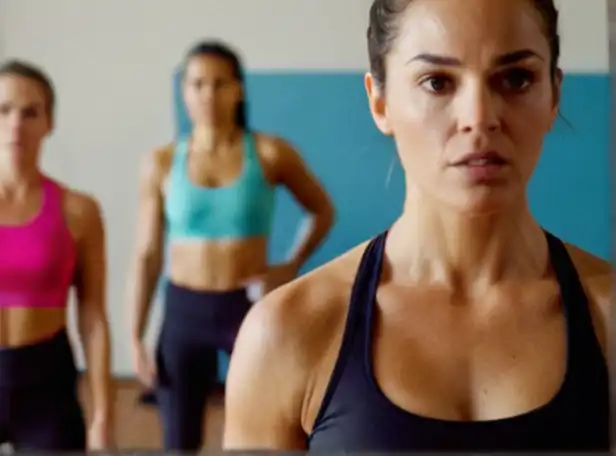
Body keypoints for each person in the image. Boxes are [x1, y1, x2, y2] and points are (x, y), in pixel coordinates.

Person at [223, 0, 611, 452]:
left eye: (516, 79)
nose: (479, 117)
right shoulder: (288, 333)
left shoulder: (606, 316)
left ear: (554, 96)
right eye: (437, 82)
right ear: (380, 102)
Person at [127, 40, 335, 451]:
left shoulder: (271, 152)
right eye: (198, 83)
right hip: (183, 311)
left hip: (246, 307)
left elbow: (322, 211)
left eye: (220, 83)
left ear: (238, 89)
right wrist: (134, 335)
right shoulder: (162, 162)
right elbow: (148, 254)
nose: (208, 94)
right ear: (184, 91)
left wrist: (289, 265)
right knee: (178, 438)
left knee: (261, 432)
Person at [0, 60, 114, 451]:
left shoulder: (78, 211)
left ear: (49, 123)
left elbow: (93, 315)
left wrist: (103, 414)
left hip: (46, 381)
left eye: (30, 112)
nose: (16, 123)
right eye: (4, 110)